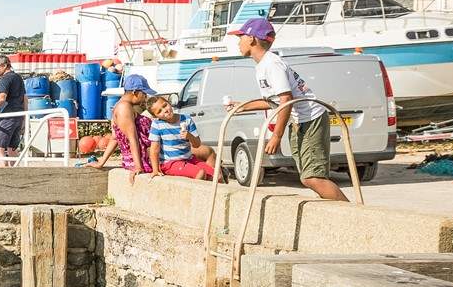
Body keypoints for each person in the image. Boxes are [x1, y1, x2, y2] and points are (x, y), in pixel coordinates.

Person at [230, 16, 347, 201]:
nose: (238, 42)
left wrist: (276, 135)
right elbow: (274, 101)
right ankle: (341, 213)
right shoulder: (262, 66)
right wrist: (243, 107)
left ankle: (350, 215)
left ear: (251, 38)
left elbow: (286, 99)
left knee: (313, 177)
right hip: (298, 121)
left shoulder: (272, 64)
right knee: (308, 177)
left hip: (310, 119)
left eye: (240, 37)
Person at [90, 73, 156, 177]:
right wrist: (138, 166)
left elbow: (115, 137)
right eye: (144, 93)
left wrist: (102, 161)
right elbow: (132, 138)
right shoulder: (124, 108)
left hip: (137, 160)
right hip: (143, 161)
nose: (145, 97)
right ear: (135, 92)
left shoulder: (120, 106)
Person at [146, 94, 215, 180]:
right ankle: (193, 193)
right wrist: (155, 170)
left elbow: (197, 144)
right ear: (155, 116)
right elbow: (154, 149)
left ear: (169, 103)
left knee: (217, 176)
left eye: (165, 105)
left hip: (189, 159)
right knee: (200, 173)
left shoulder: (186, 119)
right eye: (159, 111)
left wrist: (189, 136)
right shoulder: (157, 125)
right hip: (170, 163)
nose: (165, 110)